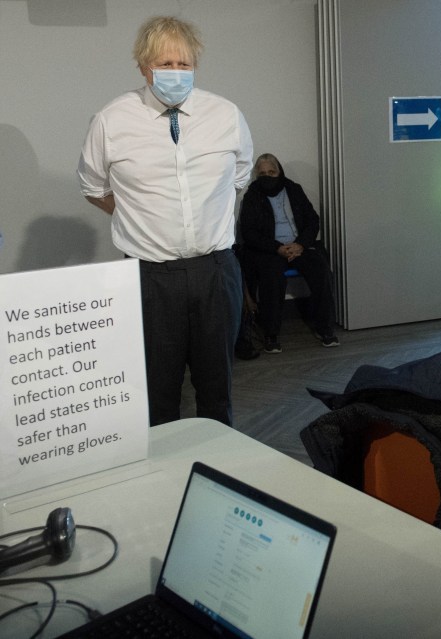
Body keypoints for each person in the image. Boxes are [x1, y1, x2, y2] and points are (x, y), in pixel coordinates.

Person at [78, 16, 253, 427]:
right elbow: (92, 186)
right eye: (164, 63)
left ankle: (217, 469)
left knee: (217, 388)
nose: (175, 72)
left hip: (216, 270)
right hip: (150, 277)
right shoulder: (112, 120)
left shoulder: (225, 115)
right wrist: (138, 216)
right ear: (142, 65)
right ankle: (164, 478)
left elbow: (239, 177)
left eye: (184, 63)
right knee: (157, 391)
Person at [237, 153, 338, 353]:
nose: (267, 177)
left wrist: (300, 244)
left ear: (279, 171)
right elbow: (249, 233)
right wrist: (277, 248)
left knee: (321, 271)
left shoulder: (293, 189)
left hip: (299, 246)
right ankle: (271, 334)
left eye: (271, 172)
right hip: (271, 250)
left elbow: (312, 220)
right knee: (272, 277)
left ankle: (325, 329)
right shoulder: (252, 195)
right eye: (263, 173)